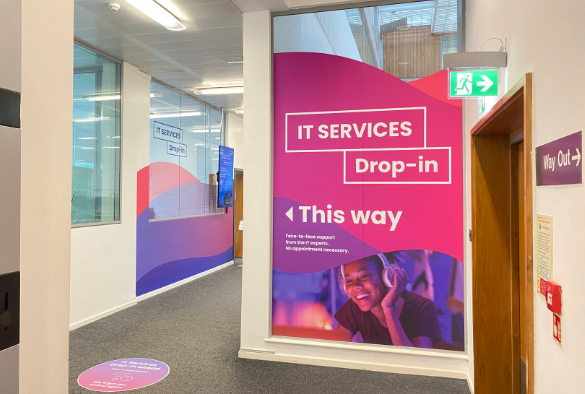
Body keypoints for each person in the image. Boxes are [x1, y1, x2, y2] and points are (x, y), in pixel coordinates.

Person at [334, 254, 441, 348]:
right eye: (349, 280)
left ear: (386, 277)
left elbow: (416, 363)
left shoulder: (423, 308)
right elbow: (335, 346)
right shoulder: (354, 307)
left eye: (363, 276)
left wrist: (388, 309)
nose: (355, 286)